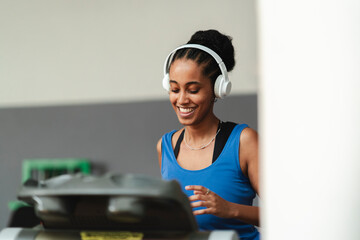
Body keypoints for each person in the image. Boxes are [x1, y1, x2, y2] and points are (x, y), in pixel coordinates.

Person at [156, 29, 260, 240]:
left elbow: (286, 214)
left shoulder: (243, 141)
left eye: (193, 90)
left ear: (217, 89)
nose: (182, 100)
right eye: (175, 89)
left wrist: (230, 209)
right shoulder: (165, 146)